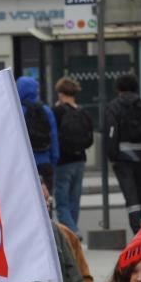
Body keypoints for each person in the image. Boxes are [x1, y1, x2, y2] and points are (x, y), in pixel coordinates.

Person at [105, 74, 141, 232]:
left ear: (118, 88)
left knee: (130, 194)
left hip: (122, 157)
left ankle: (136, 229)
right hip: (140, 155)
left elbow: (111, 133)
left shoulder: (113, 107)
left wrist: (112, 155)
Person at [52, 77, 93, 235]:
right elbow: (90, 139)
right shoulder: (83, 112)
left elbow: (53, 135)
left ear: (61, 94)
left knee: (61, 201)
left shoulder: (57, 111)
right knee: (74, 200)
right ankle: (72, 234)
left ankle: (73, 233)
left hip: (63, 161)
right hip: (80, 160)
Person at [17, 75, 59, 190]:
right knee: (46, 203)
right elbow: (54, 137)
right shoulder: (46, 110)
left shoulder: (17, 111)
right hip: (45, 162)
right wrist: (53, 161)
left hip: (25, 165)